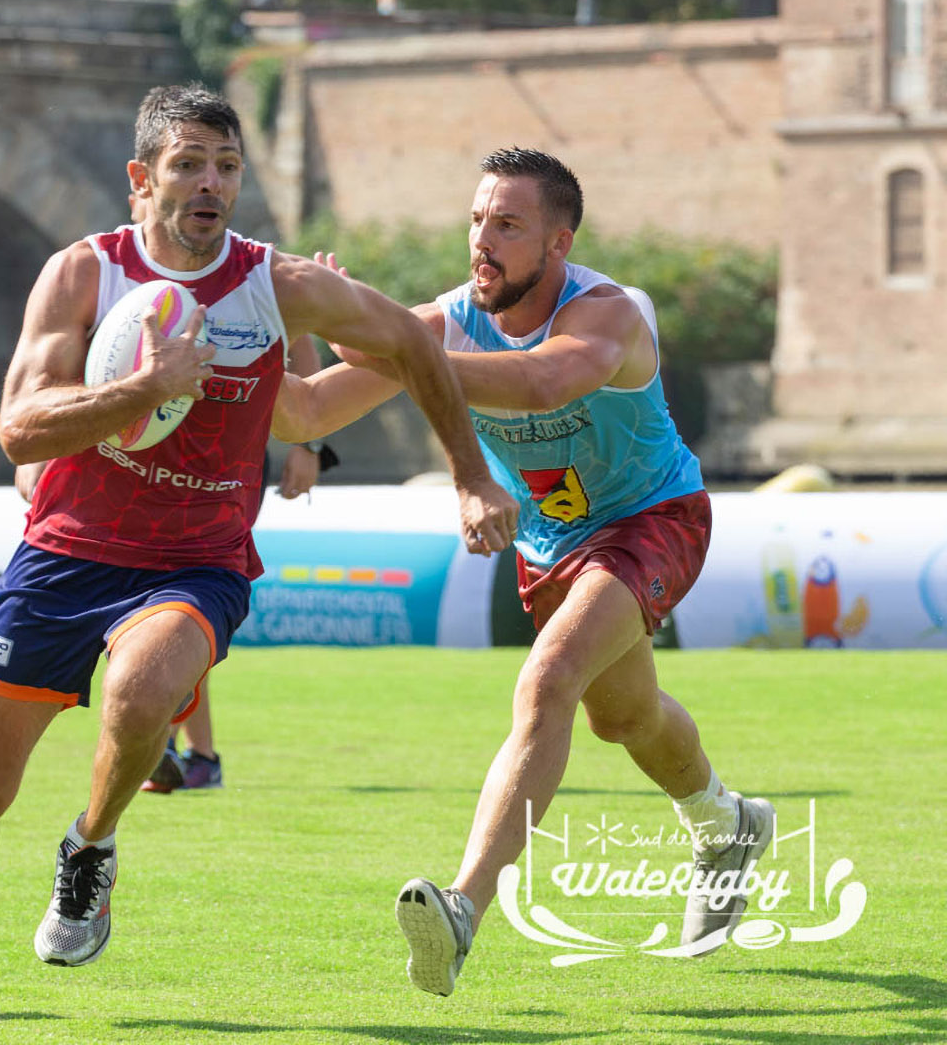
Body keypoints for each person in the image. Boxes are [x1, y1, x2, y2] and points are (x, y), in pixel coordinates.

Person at [0, 83, 516, 1023]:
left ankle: (90, 847)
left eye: (227, 166)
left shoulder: (278, 285)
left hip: (196, 561)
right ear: (142, 180)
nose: (210, 183)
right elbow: (20, 430)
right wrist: (142, 389)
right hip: (64, 555)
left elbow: (409, 345)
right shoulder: (82, 274)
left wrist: (469, 474)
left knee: (145, 693)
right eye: (188, 164)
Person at [275, 146, 775, 997]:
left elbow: (544, 384)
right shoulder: (438, 326)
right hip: (552, 548)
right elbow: (307, 408)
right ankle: (725, 822)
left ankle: (463, 909)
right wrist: (249, 342)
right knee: (627, 718)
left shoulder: (609, 315)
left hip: (653, 520)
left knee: (547, 683)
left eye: (507, 224)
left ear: (558, 243)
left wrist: (396, 351)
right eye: (477, 220)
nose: (483, 238)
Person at [138, 333, 333, 794]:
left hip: (233, 459)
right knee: (164, 600)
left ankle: (173, 745)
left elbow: (303, 350)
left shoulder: (258, 268)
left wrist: (311, 446)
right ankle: (194, 753)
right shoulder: (133, 270)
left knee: (185, 593)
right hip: (153, 449)